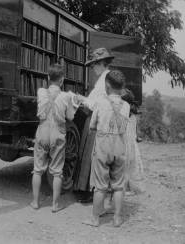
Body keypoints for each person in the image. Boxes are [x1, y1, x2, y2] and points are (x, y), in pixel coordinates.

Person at [31, 63, 81, 212]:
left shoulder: (41, 91)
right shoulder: (66, 96)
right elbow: (70, 116)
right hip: (58, 133)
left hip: (42, 130)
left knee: (38, 169)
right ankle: (55, 204)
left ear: (48, 77)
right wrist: (75, 103)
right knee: (57, 171)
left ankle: (35, 202)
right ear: (62, 80)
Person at [82, 70, 130, 227]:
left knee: (100, 186)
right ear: (122, 87)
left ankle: (95, 219)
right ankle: (117, 218)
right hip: (120, 148)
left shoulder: (101, 103)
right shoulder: (127, 106)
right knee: (118, 185)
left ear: (107, 86)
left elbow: (92, 126)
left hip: (103, 148)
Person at [74, 47, 114, 203]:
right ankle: (86, 189)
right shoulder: (103, 78)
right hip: (94, 118)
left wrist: (82, 99)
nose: (93, 68)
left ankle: (90, 191)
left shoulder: (105, 79)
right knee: (88, 154)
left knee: (92, 155)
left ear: (102, 63)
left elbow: (98, 103)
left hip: (97, 119)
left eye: (94, 64)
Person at [122, 89, 145, 195]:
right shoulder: (134, 116)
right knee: (130, 166)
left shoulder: (123, 114)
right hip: (131, 144)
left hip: (125, 143)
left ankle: (125, 188)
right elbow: (135, 132)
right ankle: (127, 187)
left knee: (125, 166)